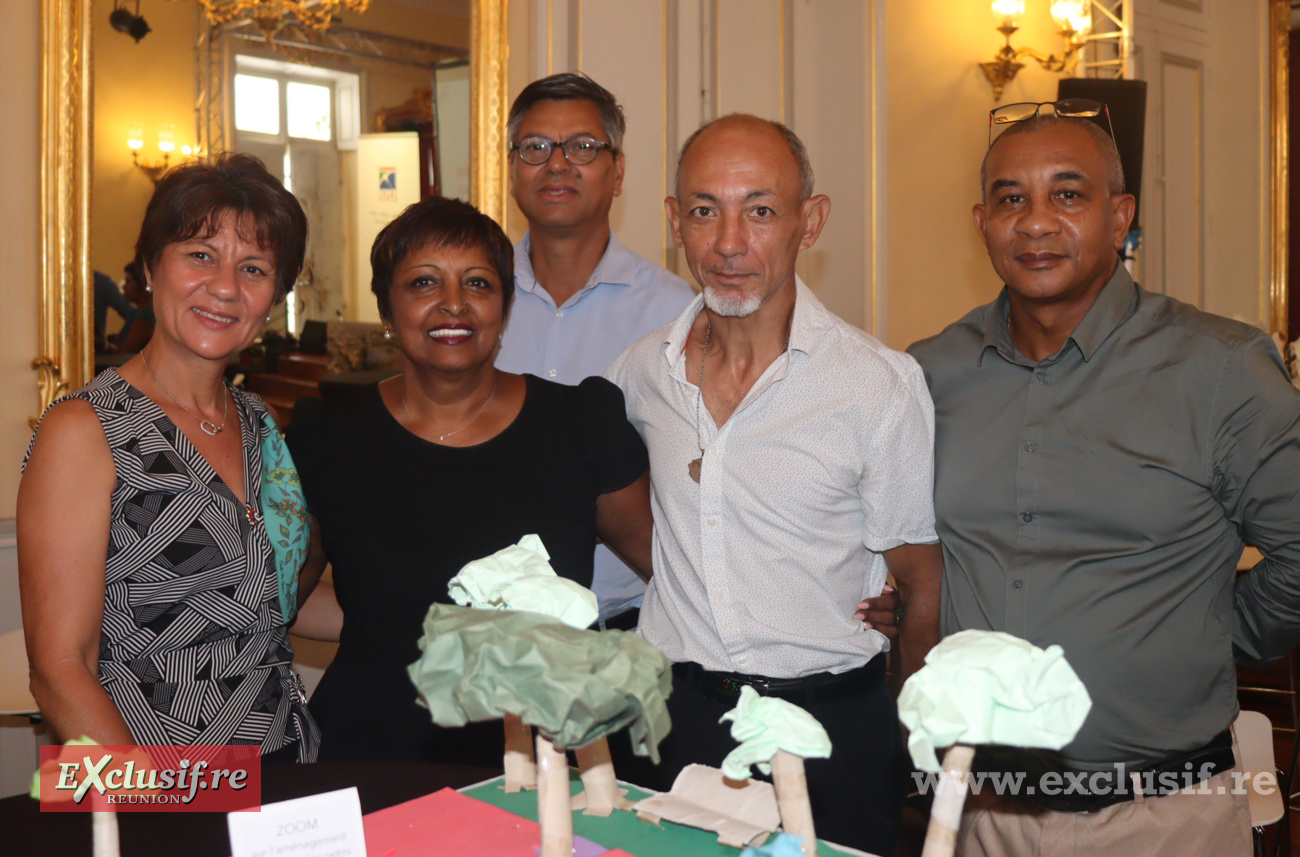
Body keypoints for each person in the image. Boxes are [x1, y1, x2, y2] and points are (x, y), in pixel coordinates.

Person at [908, 103, 1300, 856]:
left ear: (1119, 217)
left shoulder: (1218, 369)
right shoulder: (928, 372)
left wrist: (1217, 629)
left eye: (1068, 193)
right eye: (1011, 197)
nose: (1036, 221)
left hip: (1166, 811)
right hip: (981, 810)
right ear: (982, 221)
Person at [606, 114, 943, 856]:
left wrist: (914, 744)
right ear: (674, 222)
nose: (729, 242)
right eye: (704, 210)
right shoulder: (640, 374)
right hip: (671, 719)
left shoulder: (876, 385)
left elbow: (919, 580)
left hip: (832, 731)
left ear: (809, 222)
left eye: (760, 210)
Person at [286, 196, 655, 764]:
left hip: (539, 755)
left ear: (503, 310)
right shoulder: (325, 436)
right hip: (370, 747)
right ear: (387, 310)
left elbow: (676, 570)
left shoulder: (580, 424)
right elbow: (276, 598)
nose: (453, 305)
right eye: (424, 283)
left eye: (478, 284)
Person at [19, 153, 320, 762]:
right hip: (155, 786)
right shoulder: (83, 429)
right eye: (200, 255)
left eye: (255, 268)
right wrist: (158, 811)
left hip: (286, 767)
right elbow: (59, 670)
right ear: (152, 266)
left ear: (275, 297)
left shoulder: (259, 420)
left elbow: (268, 600)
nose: (227, 287)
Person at [495, 72, 695, 629]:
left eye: (582, 146)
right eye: (535, 147)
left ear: (619, 170)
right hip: (484, 632)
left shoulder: (677, 314)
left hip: (628, 631)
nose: (557, 164)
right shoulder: (472, 302)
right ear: (512, 169)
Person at [115, 260, 155, 354]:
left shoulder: (144, 320)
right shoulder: (134, 314)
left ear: (141, 286)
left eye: (128, 282)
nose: (124, 287)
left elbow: (123, 354)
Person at [93, 269, 133, 353]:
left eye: (128, 282)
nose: (124, 287)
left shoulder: (100, 282)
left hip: (96, 354)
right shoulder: (101, 282)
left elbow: (129, 313)